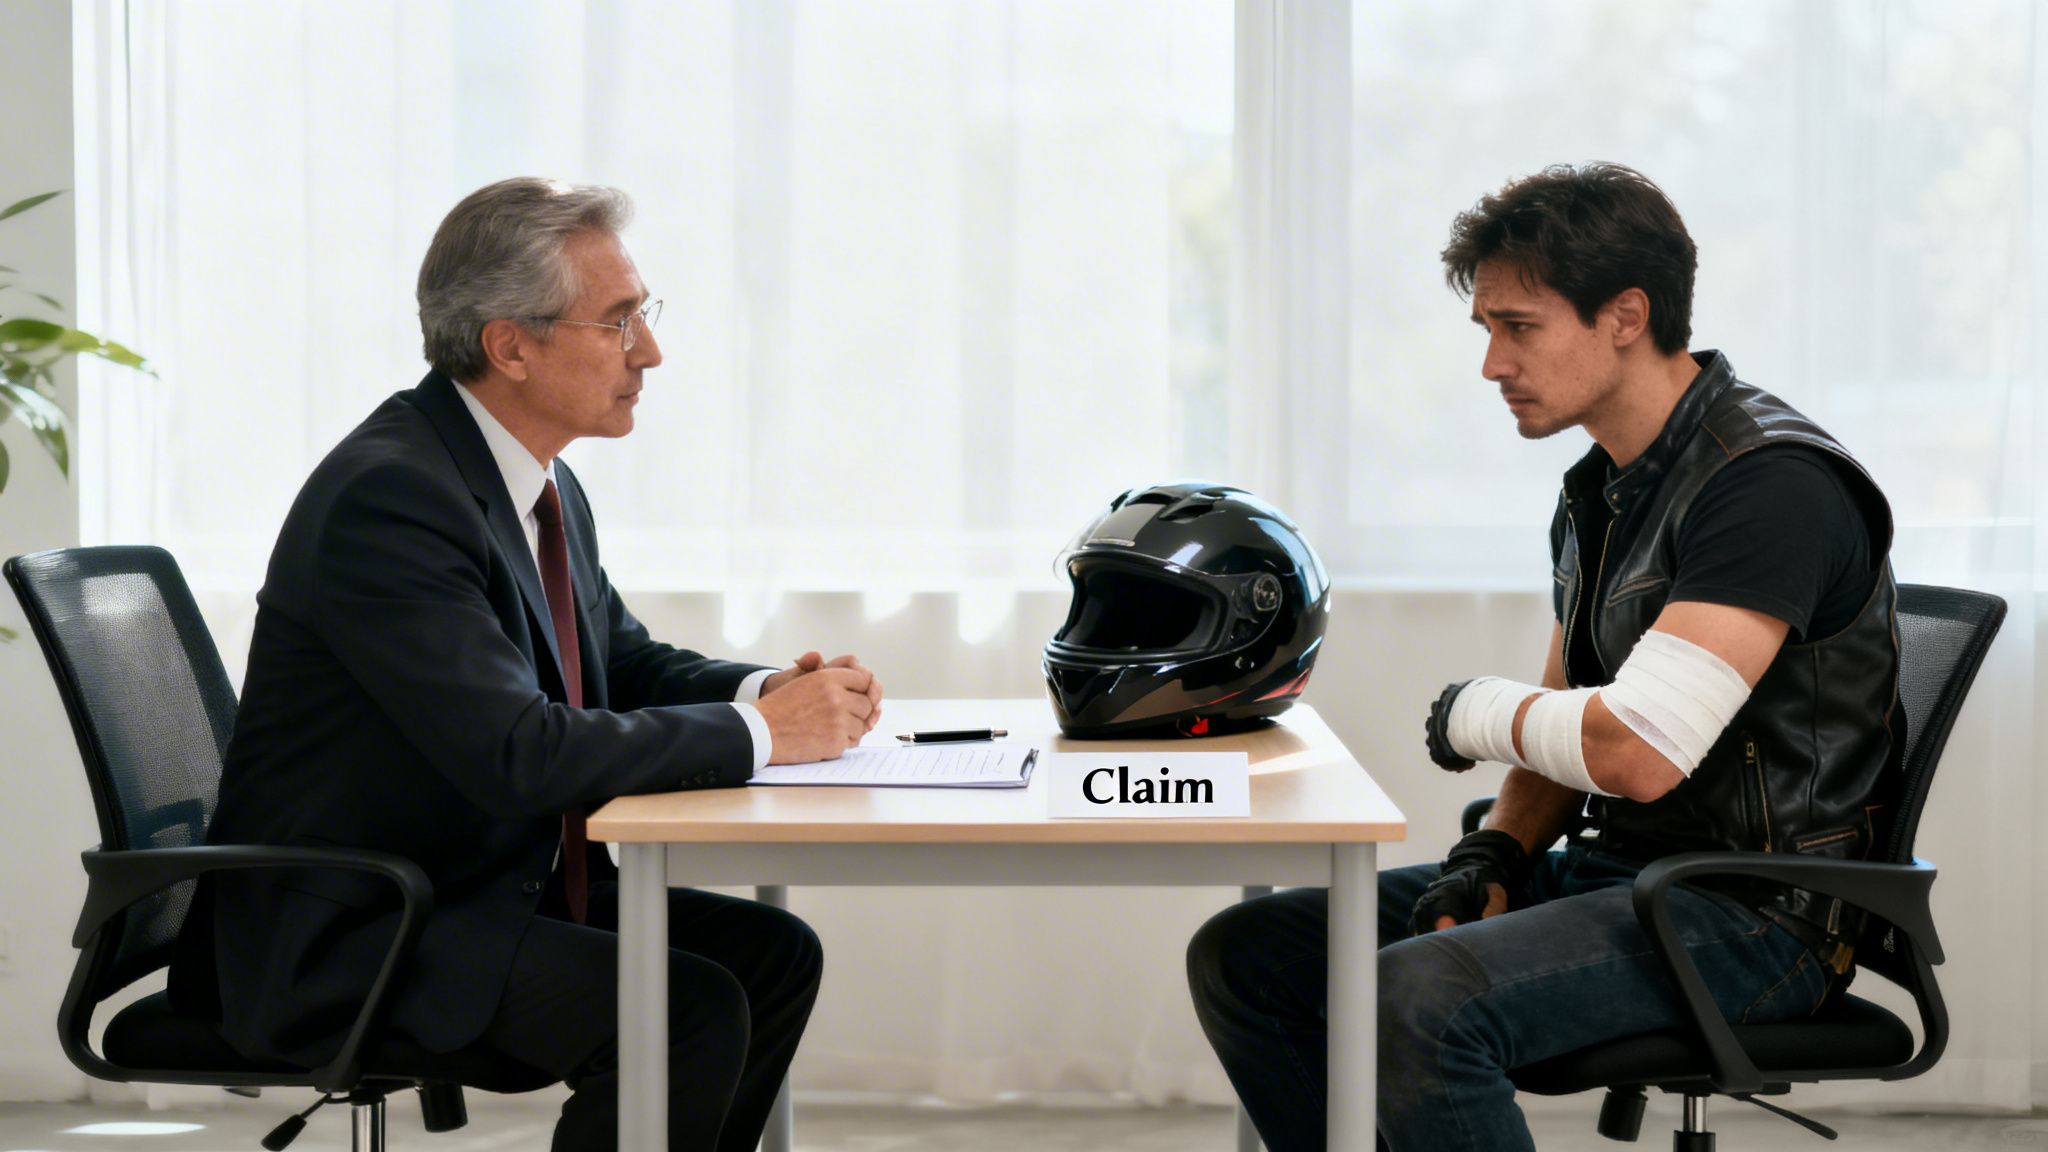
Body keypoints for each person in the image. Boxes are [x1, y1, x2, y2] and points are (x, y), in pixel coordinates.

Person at [1185, 163, 1901, 1151]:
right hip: (1622, 876)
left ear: (1624, 315)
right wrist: (1498, 851)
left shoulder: (1767, 486)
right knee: (1254, 952)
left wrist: (1473, 709)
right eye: (1483, 329)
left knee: (1420, 996)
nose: (1489, 363)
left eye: (1516, 327)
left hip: (1752, 915)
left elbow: (1633, 749)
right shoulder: (1606, 488)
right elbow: (1573, 701)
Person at [168, 177, 883, 1152]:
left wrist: (766, 692)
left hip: (471, 886)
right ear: (509, 345)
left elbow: (615, 662)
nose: (651, 352)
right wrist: (765, 736)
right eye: (618, 323)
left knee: (770, 957)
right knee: (682, 1010)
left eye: (644, 317)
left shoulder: (532, 477)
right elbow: (519, 752)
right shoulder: (392, 500)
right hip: (361, 928)